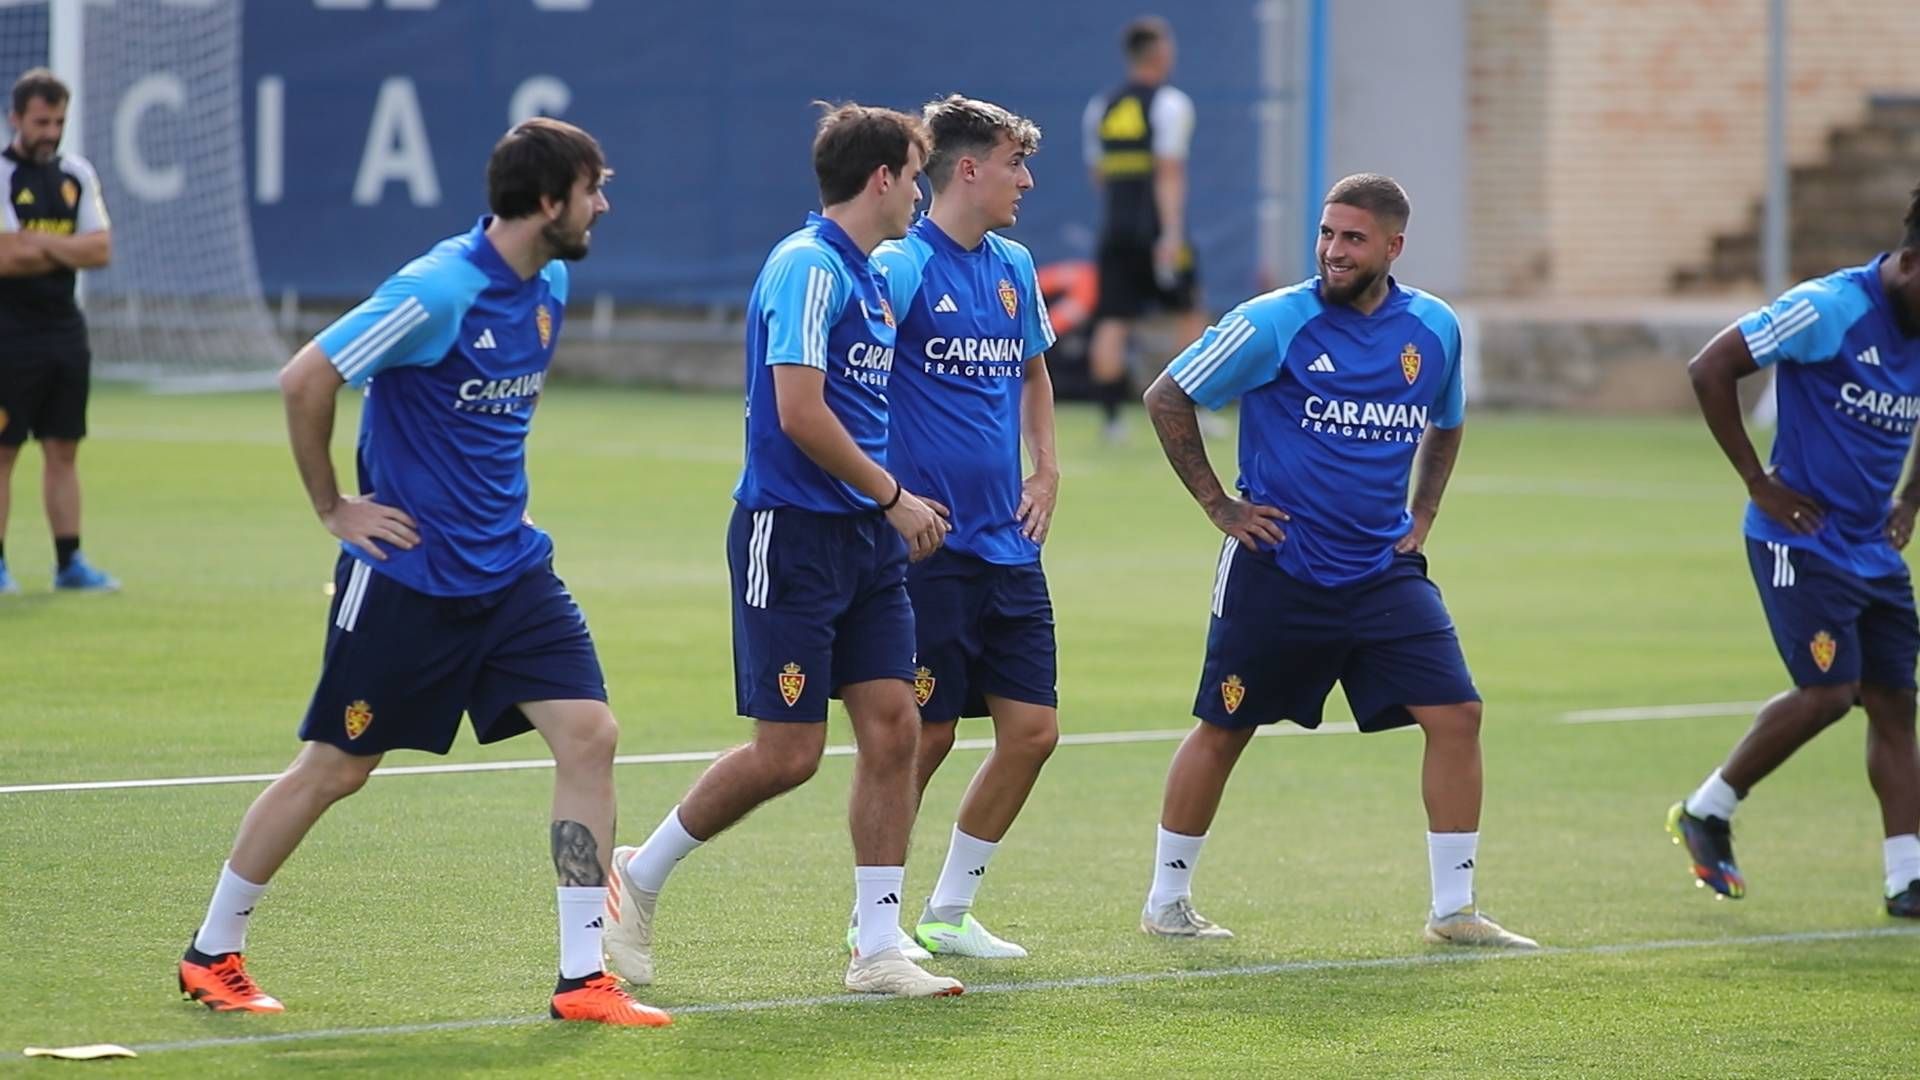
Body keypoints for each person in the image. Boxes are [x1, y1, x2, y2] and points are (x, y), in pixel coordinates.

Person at [176, 119, 668, 1027]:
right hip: (409, 577)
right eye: (594, 189)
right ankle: (212, 951)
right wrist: (335, 507)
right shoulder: (437, 289)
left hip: (514, 572)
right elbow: (304, 378)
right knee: (336, 768)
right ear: (550, 201)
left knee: (590, 735)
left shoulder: (551, 281)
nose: (604, 205)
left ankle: (581, 977)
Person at [603, 103, 963, 998]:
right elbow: (800, 412)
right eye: (915, 175)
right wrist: (894, 496)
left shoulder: (870, 276)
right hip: (791, 537)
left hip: (865, 544)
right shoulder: (807, 267)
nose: (920, 193)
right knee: (788, 754)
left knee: (894, 726)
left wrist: (885, 507)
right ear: (881, 178)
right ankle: (637, 876)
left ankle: (877, 948)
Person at [1135, 173, 1535, 950]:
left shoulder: (1434, 329)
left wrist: (1424, 514)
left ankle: (1454, 912)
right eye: (1326, 234)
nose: (1333, 251)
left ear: (1393, 246)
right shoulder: (1274, 322)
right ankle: (1166, 900)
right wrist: (1222, 507)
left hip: (1382, 570)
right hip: (1278, 564)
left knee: (1457, 714)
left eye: (1352, 238)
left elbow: (1444, 423)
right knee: (1225, 725)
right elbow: (1167, 395)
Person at [1670, 186, 1920, 918]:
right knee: (1829, 694)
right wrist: (1758, 480)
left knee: (1896, 704)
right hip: (1798, 540)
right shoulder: (1829, 307)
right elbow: (1709, 367)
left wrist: (1910, 499)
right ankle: (1708, 810)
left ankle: (1907, 878)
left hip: (1873, 549)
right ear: (1910, 262)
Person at [868, 94, 1059, 960]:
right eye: (1015, 163)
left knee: (1033, 733)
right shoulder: (905, 266)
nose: (1026, 179)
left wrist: (1046, 467)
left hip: (1009, 545)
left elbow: (1032, 372)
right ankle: (875, 916)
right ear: (969, 168)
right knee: (929, 733)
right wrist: (886, 491)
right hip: (929, 547)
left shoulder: (1015, 263)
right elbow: (852, 372)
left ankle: (947, 910)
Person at [0, 67, 116, 593]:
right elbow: (5, 258)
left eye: (59, 121)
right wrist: (62, 249)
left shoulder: (76, 174)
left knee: (63, 448)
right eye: (42, 121)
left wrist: (37, 245)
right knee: (3, 450)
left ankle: (69, 562)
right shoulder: (2, 174)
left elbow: (101, 250)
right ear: (16, 119)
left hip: (64, 331)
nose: (51, 132)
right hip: (8, 332)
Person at [1083, 16, 1205, 444]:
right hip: (1157, 230)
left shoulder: (1103, 107)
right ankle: (1194, 411)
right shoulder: (1171, 104)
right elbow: (1169, 172)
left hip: (1115, 229)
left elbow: (1099, 173)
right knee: (1189, 312)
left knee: (1112, 320)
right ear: (1160, 53)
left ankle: (1112, 420)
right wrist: (1170, 234)